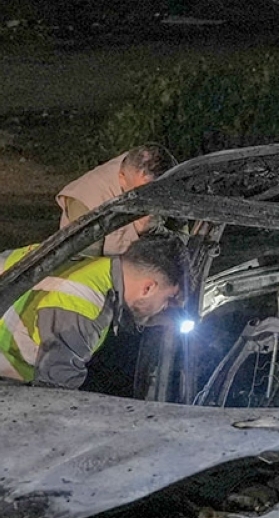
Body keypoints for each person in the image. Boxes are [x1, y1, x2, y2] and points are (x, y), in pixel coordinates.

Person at [0, 234, 187, 389]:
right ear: (148, 288)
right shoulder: (85, 308)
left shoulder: (89, 264)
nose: (165, 308)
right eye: (168, 300)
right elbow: (54, 396)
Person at [57, 144, 176, 256]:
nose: (148, 198)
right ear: (122, 178)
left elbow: (180, 233)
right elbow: (87, 263)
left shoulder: (168, 176)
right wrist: (142, 232)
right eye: (140, 192)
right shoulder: (87, 204)